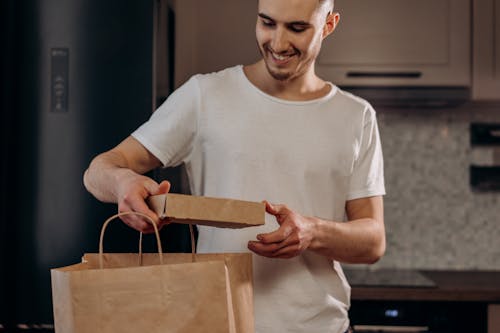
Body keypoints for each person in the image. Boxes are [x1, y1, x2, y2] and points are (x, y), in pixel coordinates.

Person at [83, 0, 386, 332]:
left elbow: (373, 240)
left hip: (320, 326)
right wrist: (123, 182)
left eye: (297, 28)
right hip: (220, 323)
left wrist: (312, 231)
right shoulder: (205, 95)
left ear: (329, 24)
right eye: (267, 23)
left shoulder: (356, 116)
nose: (279, 43)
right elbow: (99, 169)